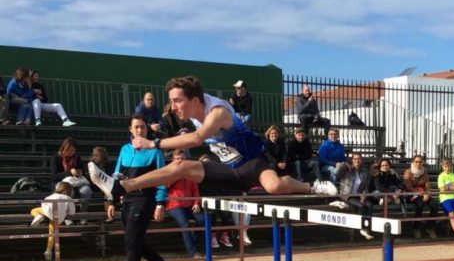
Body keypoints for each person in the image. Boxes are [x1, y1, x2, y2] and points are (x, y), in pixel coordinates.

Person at [88, 76, 337, 211]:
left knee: (273, 187)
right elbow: (189, 137)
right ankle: (121, 187)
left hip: (253, 164)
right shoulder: (193, 115)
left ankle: (311, 187)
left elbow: (196, 139)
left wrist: (154, 143)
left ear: (195, 99)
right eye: (171, 101)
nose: (173, 107)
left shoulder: (217, 112)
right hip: (228, 169)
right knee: (179, 167)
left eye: (177, 101)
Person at [105, 114, 176, 261]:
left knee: (131, 241)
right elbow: (117, 176)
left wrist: (160, 203)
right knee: (134, 239)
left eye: (143, 127)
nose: (139, 130)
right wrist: (112, 200)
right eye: (136, 127)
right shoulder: (124, 149)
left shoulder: (155, 152)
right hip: (127, 199)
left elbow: (162, 178)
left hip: (145, 199)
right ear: (130, 129)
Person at [165, 149, 204, 258]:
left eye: (182, 158)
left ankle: (191, 239)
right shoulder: (168, 171)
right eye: (177, 159)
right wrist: (176, 176)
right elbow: (164, 187)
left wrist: (197, 202)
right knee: (185, 225)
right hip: (174, 205)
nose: (180, 160)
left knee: (203, 221)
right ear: (173, 160)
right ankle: (193, 253)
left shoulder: (190, 172)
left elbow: (195, 189)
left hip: (190, 204)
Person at [30, 181, 75, 261]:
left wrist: (45, 213)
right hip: (58, 217)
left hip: (47, 213)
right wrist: (66, 211)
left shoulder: (50, 196)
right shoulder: (69, 199)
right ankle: (48, 250)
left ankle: (39, 216)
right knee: (52, 233)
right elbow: (72, 212)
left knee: (34, 210)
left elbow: (43, 205)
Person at [50, 138, 92, 220]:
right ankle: (68, 217)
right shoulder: (56, 158)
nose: (71, 153)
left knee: (86, 190)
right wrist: (69, 172)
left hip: (76, 182)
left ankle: (83, 216)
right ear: (64, 148)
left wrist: (79, 173)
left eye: (73, 150)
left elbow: (82, 171)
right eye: (69, 150)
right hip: (61, 182)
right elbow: (54, 176)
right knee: (67, 191)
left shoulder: (77, 158)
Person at [336, 152, 375, 240]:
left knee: (369, 205)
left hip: (359, 195)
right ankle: (361, 228)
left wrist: (364, 195)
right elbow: (337, 173)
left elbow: (366, 187)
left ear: (361, 160)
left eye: (359, 159)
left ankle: (367, 228)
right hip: (347, 195)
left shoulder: (366, 173)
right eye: (355, 159)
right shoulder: (347, 170)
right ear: (352, 160)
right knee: (361, 206)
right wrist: (344, 163)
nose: (357, 160)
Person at [198, 154, 234, 248]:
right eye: (205, 163)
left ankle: (224, 235)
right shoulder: (197, 176)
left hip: (217, 198)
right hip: (204, 200)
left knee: (227, 212)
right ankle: (212, 236)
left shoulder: (216, 175)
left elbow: (221, 189)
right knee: (212, 213)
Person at [403, 155, 439, 239]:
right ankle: (416, 228)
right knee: (420, 204)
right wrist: (419, 193)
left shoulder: (424, 172)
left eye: (420, 162)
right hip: (411, 195)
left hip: (422, 194)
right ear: (413, 162)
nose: (418, 163)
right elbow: (408, 186)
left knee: (434, 204)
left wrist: (427, 194)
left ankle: (430, 227)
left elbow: (428, 186)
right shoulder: (408, 171)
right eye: (416, 161)